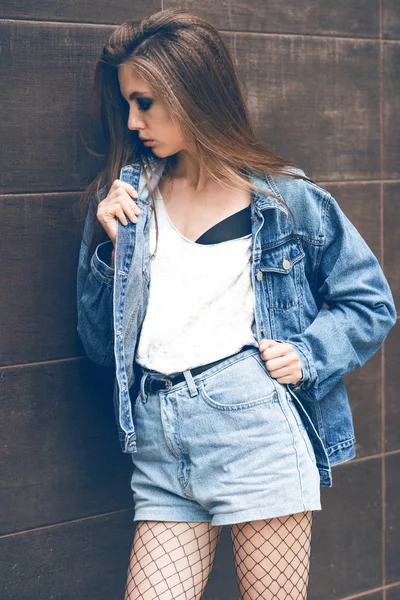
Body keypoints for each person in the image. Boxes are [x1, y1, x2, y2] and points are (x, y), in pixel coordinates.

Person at [76, 8, 397, 600]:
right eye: (127, 104)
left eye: (145, 102)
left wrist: (308, 354)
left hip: (254, 433)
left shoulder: (286, 200)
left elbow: (369, 302)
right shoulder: (128, 201)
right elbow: (99, 347)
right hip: (158, 439)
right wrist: (109, 249)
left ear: (191, 92)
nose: (132, 120)